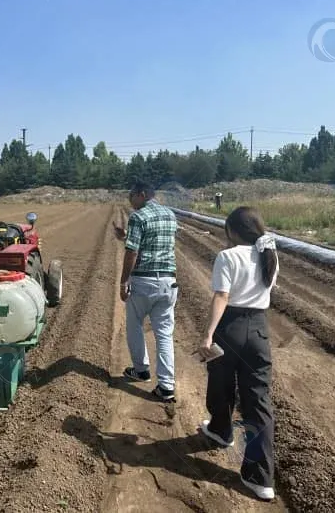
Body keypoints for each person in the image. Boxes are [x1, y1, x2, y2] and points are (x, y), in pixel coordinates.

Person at [197, 206, 279, 501]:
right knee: (258, 400)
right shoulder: (269, 255)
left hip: (229, 328)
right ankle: (260, 478)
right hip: (258, 331)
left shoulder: (227, 256)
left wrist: (207, 335)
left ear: (232, 230)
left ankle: (221, 430)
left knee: (220, 383)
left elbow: (222, 295)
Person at [113, 180, 178, 402]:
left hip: (143, 282)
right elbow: (154, 243)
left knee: (135, 325)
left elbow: (133, 252)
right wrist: (125, 236)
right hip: (168, 282)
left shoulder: (139, 217)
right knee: (164, 333)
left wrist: (123, 282)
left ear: (141, 194)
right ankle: (167, 386)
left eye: (132, 196)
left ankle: (141, 370)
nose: (130, 201)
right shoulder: (170, 215)